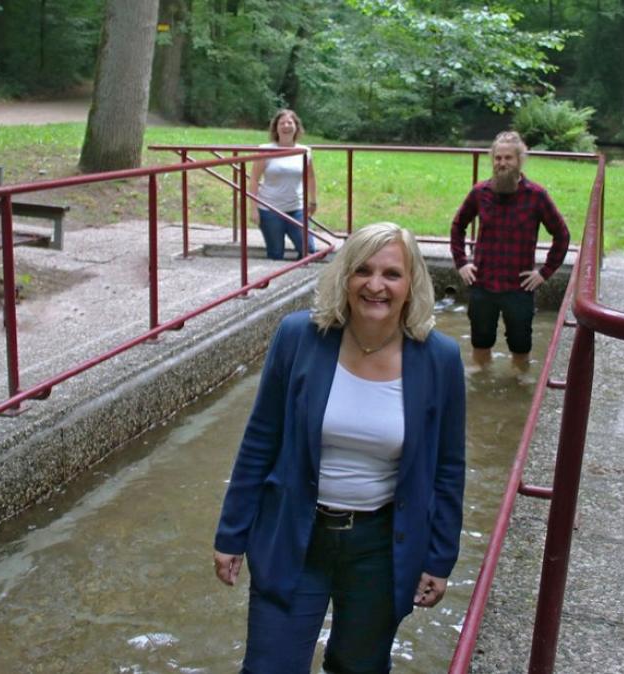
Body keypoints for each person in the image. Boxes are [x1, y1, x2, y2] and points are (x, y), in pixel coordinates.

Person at [213, 222, 466, 673]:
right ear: (344, 276)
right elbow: (260, 440)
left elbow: (448, 468)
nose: (375, 285)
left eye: (391, 274)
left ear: (411, 285)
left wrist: (440, 557)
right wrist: (232, 533)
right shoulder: (299, 338)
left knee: (358, 667)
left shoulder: (438, 359)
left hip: (381, 546)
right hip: (295, 533)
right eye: (362, 271)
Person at [450, 130, 570, 373]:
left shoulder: (536, 196)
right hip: (483, 285)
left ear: (519, 160)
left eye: (508, 158)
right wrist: (462, 262)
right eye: (498, 158)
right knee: (480, 343)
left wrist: (544, 273)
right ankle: (483, 384)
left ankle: (518, 389)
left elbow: (562, 234)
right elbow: (458, 226)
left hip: (519, 288)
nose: (502, 163)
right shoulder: (479, 193)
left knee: (520, 346)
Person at [249, 109, 319, 260]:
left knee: (309, 250)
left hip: (296, 208)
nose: (286, 126)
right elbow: (254, 178)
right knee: (276, 253)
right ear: (276, 127)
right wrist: (253, 209)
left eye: (290, 122)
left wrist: (313, 201)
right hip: (270, 209)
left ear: (296, 126)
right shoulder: (265, 150)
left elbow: (311, 177)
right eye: (282, 123)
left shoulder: (304, 151)